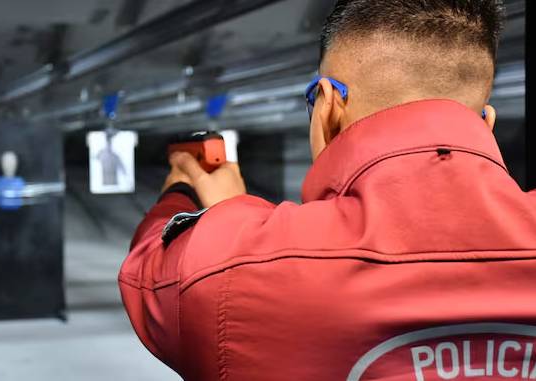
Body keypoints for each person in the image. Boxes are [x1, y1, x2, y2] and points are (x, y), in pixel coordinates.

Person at [119, 1, 536, 379]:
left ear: (327, 107)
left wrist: (198, 202)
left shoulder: (230, 267)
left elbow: (148, 272)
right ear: (486, 123)